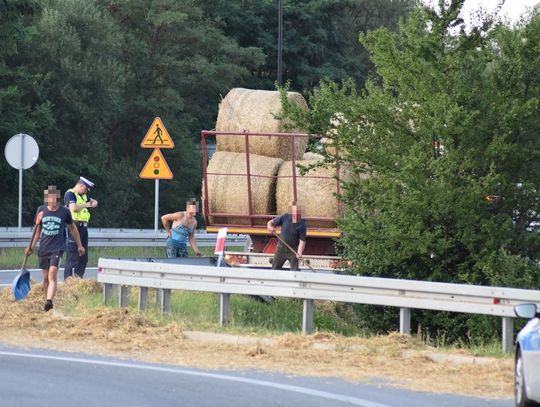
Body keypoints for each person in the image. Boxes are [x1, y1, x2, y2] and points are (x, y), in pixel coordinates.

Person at [25, 185, 85, 311]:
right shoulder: (41, 210)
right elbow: (37, 231)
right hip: (43, 248)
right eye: (48, 197)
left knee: (52, 274)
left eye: (53, 197)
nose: (50, 200)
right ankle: (48, 305)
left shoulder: (64, 212)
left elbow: (73, 228)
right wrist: (30, 246)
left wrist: (79, 245)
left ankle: (49, 300)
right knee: (46, 278)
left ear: (57, 198)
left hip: (57, 248)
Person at [63, 176, 98, 279]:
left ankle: (78, 279)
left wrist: (93, 203)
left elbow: (93, 201)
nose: (86, 192)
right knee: (72, 255)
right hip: (74, 226)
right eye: (85, 189)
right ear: (81, 185)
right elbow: (73, 208)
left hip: (83, 227)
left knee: (83, 256)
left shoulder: (82, 196)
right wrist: (87, 205)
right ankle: (68, 280)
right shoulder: (70, 194)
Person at [266, 202, 307, 271]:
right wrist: (270, 227)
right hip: (281, 248)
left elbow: (302, 240)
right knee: (275, 268)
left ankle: (294, 281)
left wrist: (299, 252)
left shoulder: (302, 224)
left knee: (294, 271)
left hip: (293, 250)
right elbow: (270, 222)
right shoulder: (285, 217)